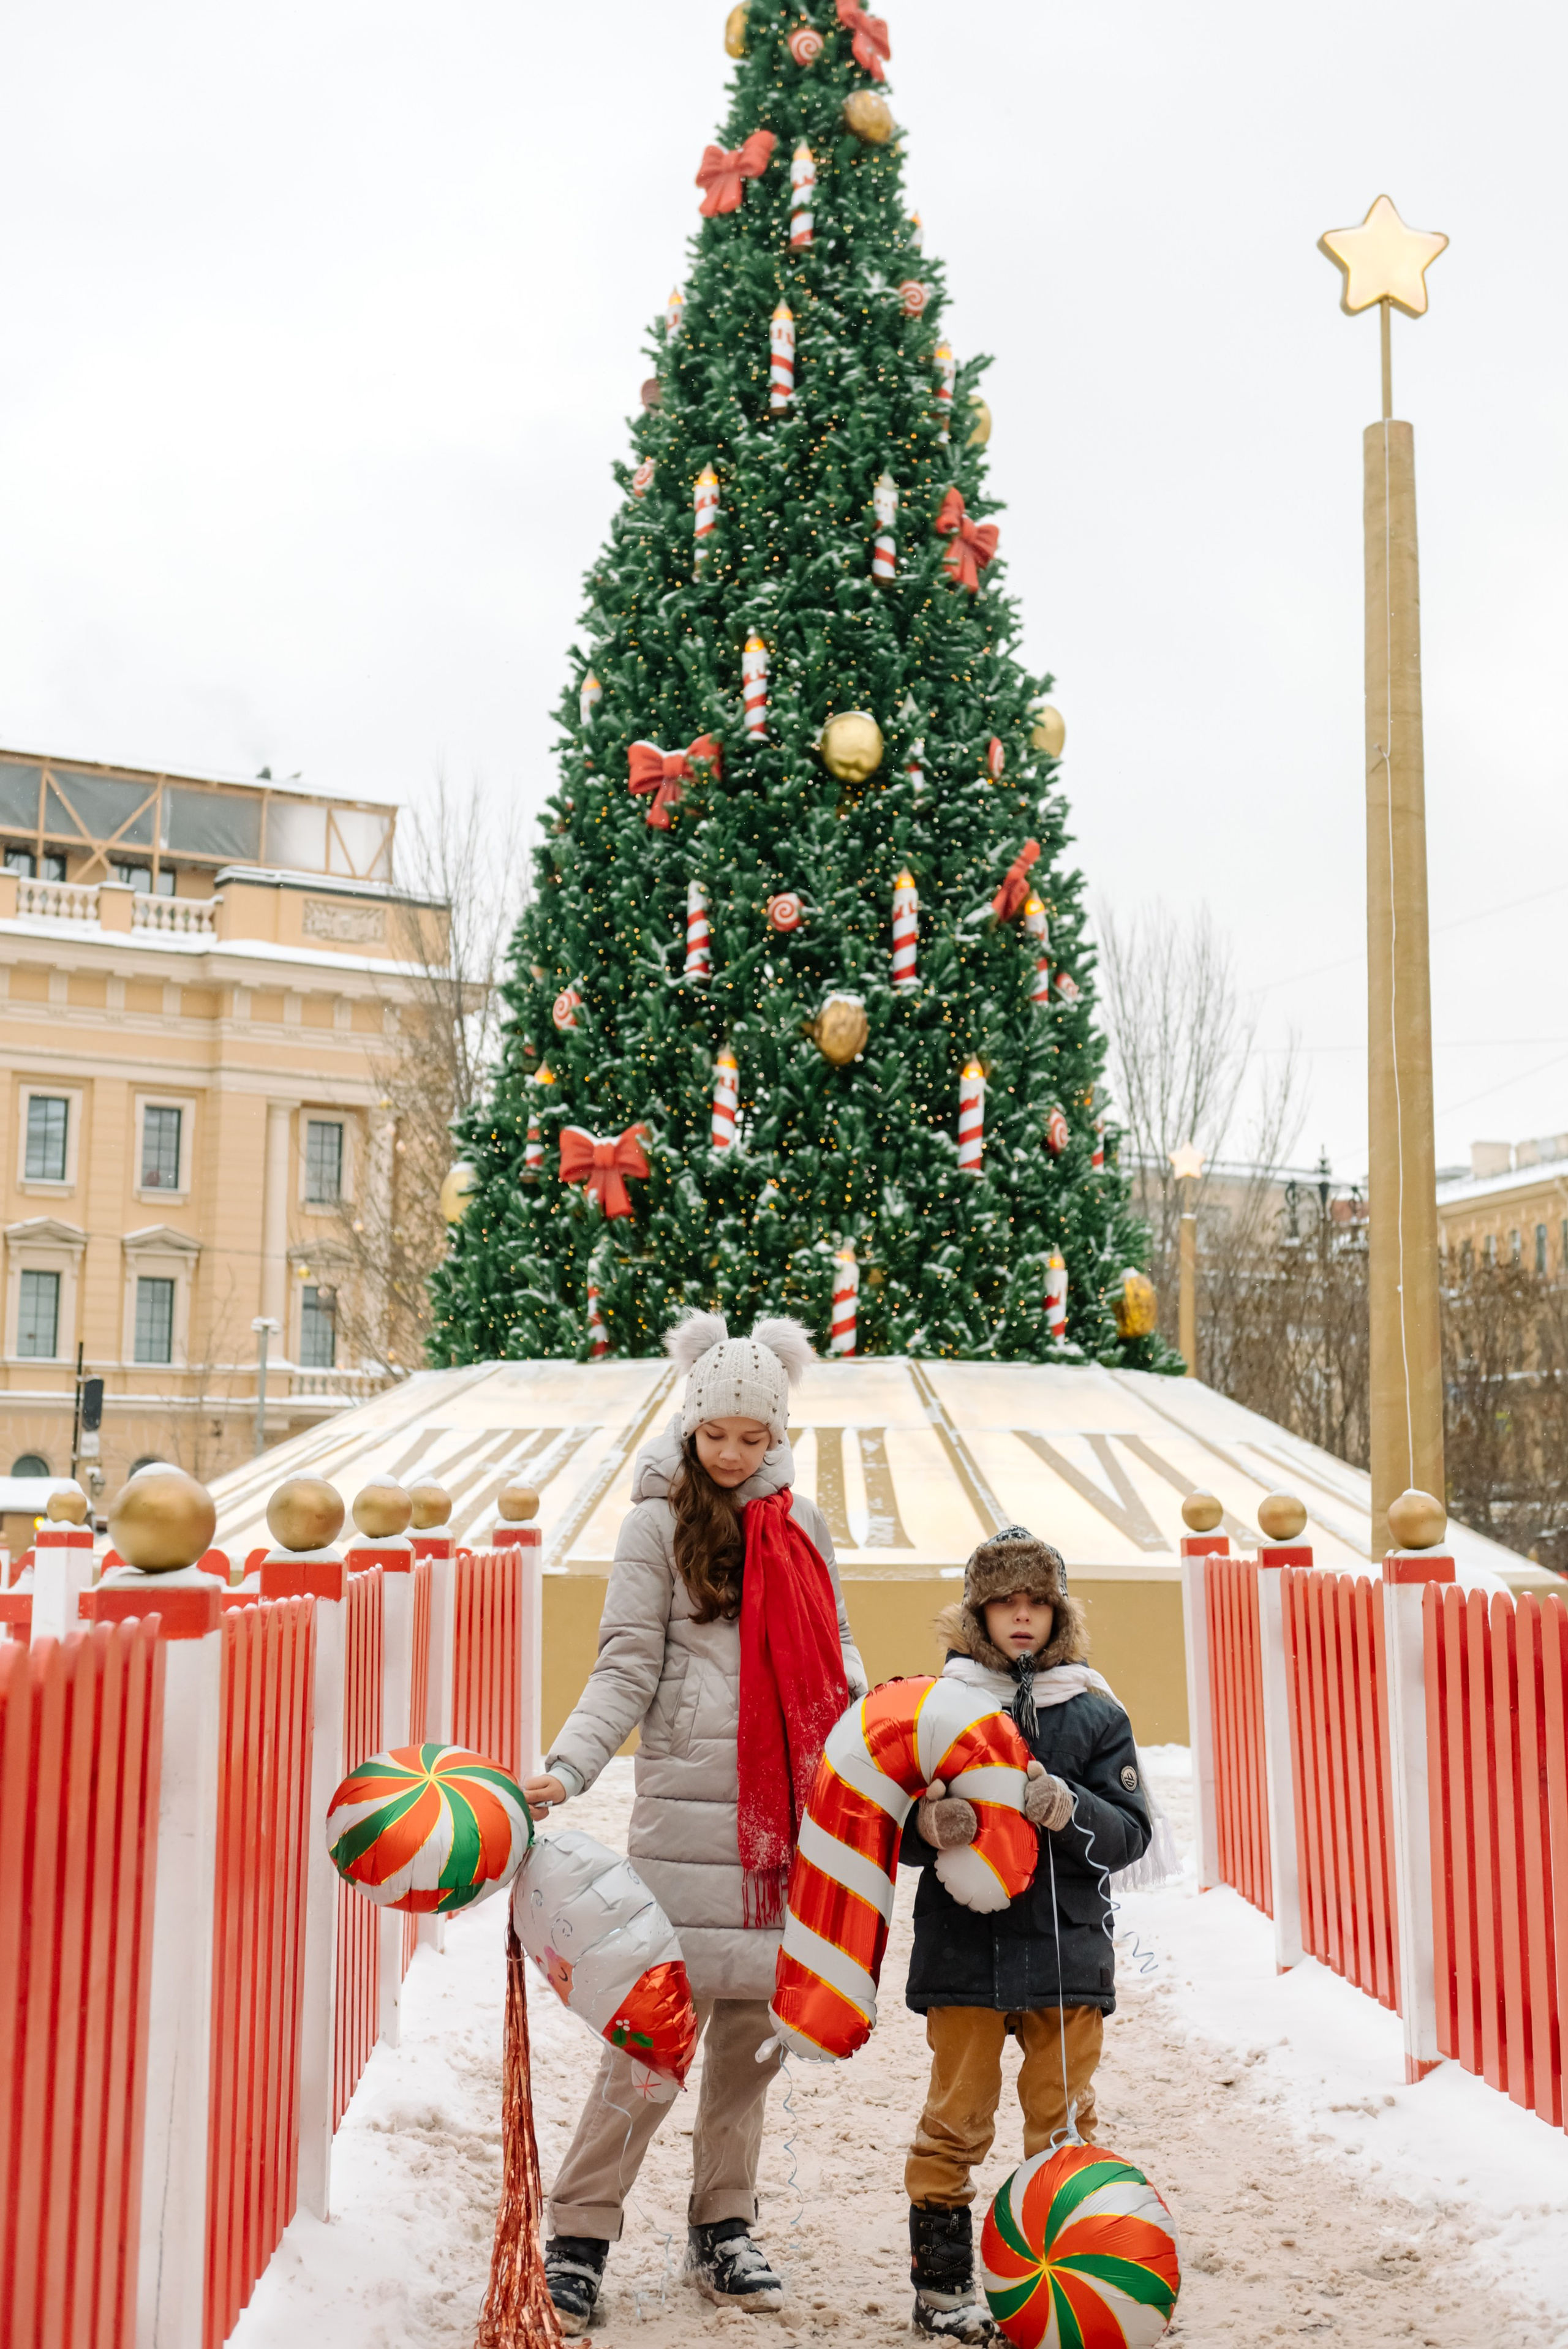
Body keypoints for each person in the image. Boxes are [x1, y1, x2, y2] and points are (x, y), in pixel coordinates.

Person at [523, 1312, 865, 2336]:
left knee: (750, 2045)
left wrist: (867, 1788)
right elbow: (626, 1662)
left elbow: (837, 1666)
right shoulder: (653, 1526)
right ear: (690, 1424)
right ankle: (580, 2233)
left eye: (751, 1437)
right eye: (716, 1432)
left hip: (785, 1830)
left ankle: (724, 2222)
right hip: (685, 1820)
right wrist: (568, 1767)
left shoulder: (801, 1528)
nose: (731, 1452)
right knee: (652, 2038)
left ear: (776, 1437)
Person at [900, 1525, 1153, 2341]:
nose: (1020, 1617)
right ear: (977, 1613)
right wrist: (931, 1823)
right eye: (1003, 1602)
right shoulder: (936, 1707)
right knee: (955, 2120)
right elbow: (892, 1822)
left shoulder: (1093, 1712)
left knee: (1064, 2121)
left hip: (1066, 1953)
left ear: (1056, 1613)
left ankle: (1075, 2280)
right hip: (964, 1954)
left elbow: (1131, 1832)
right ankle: (942, 2286)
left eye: (1035, 1602)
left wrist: (1071, 1806)